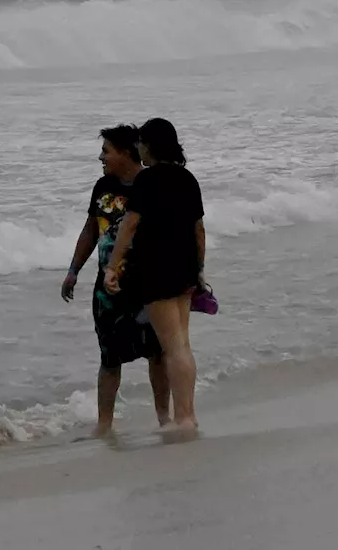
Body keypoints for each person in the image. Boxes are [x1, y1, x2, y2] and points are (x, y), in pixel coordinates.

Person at [62, 125, 171, 437]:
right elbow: (90, 230)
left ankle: (165, 419)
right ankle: (104, 425)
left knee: (158, 354)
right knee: (109, 357)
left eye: (106, 150)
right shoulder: (102, 186)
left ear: (125, 152)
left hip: (149, 285)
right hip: (108, 290)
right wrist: (73, 270)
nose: (101, 157)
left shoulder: (150, 184)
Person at [104, 118, 204, 439]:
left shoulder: (148, 180)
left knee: (173, 347)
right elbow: (198, 230)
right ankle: (187, 415)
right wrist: (199, 269)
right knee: (182, 344)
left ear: (151, 145)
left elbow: (129, 226)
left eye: (142, 143)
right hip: (185, 268)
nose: (139, 149)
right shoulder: (188, 179)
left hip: (157, 270)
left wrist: (113, 266)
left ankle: (185, 418)